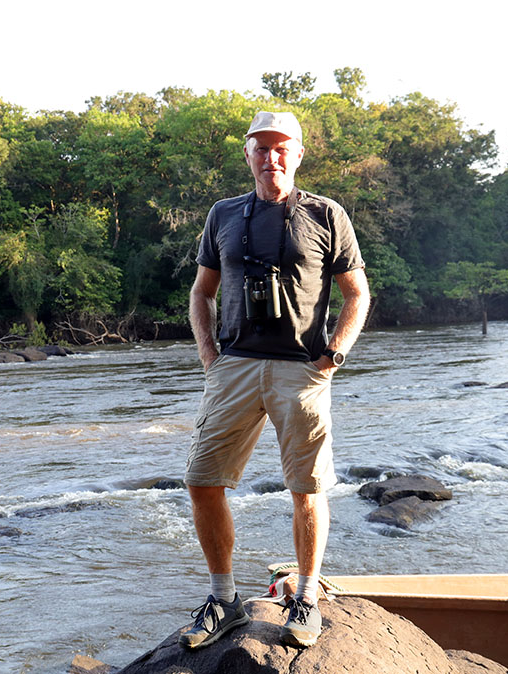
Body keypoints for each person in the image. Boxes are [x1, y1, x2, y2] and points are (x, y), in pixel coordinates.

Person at [180, 111, 369, 649]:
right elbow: (202, 292)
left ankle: (306, 596)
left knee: (306, 488)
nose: (271, 157)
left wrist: (334, 353)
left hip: (302, 368)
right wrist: (209, 355)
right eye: (261, 148)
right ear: (248, 155)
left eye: (282, 148)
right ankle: (224, 599)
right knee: (201, 479)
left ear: (299, 153)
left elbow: (358, 293)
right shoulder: (223, 215)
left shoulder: (326, 214)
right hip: (234, 366)